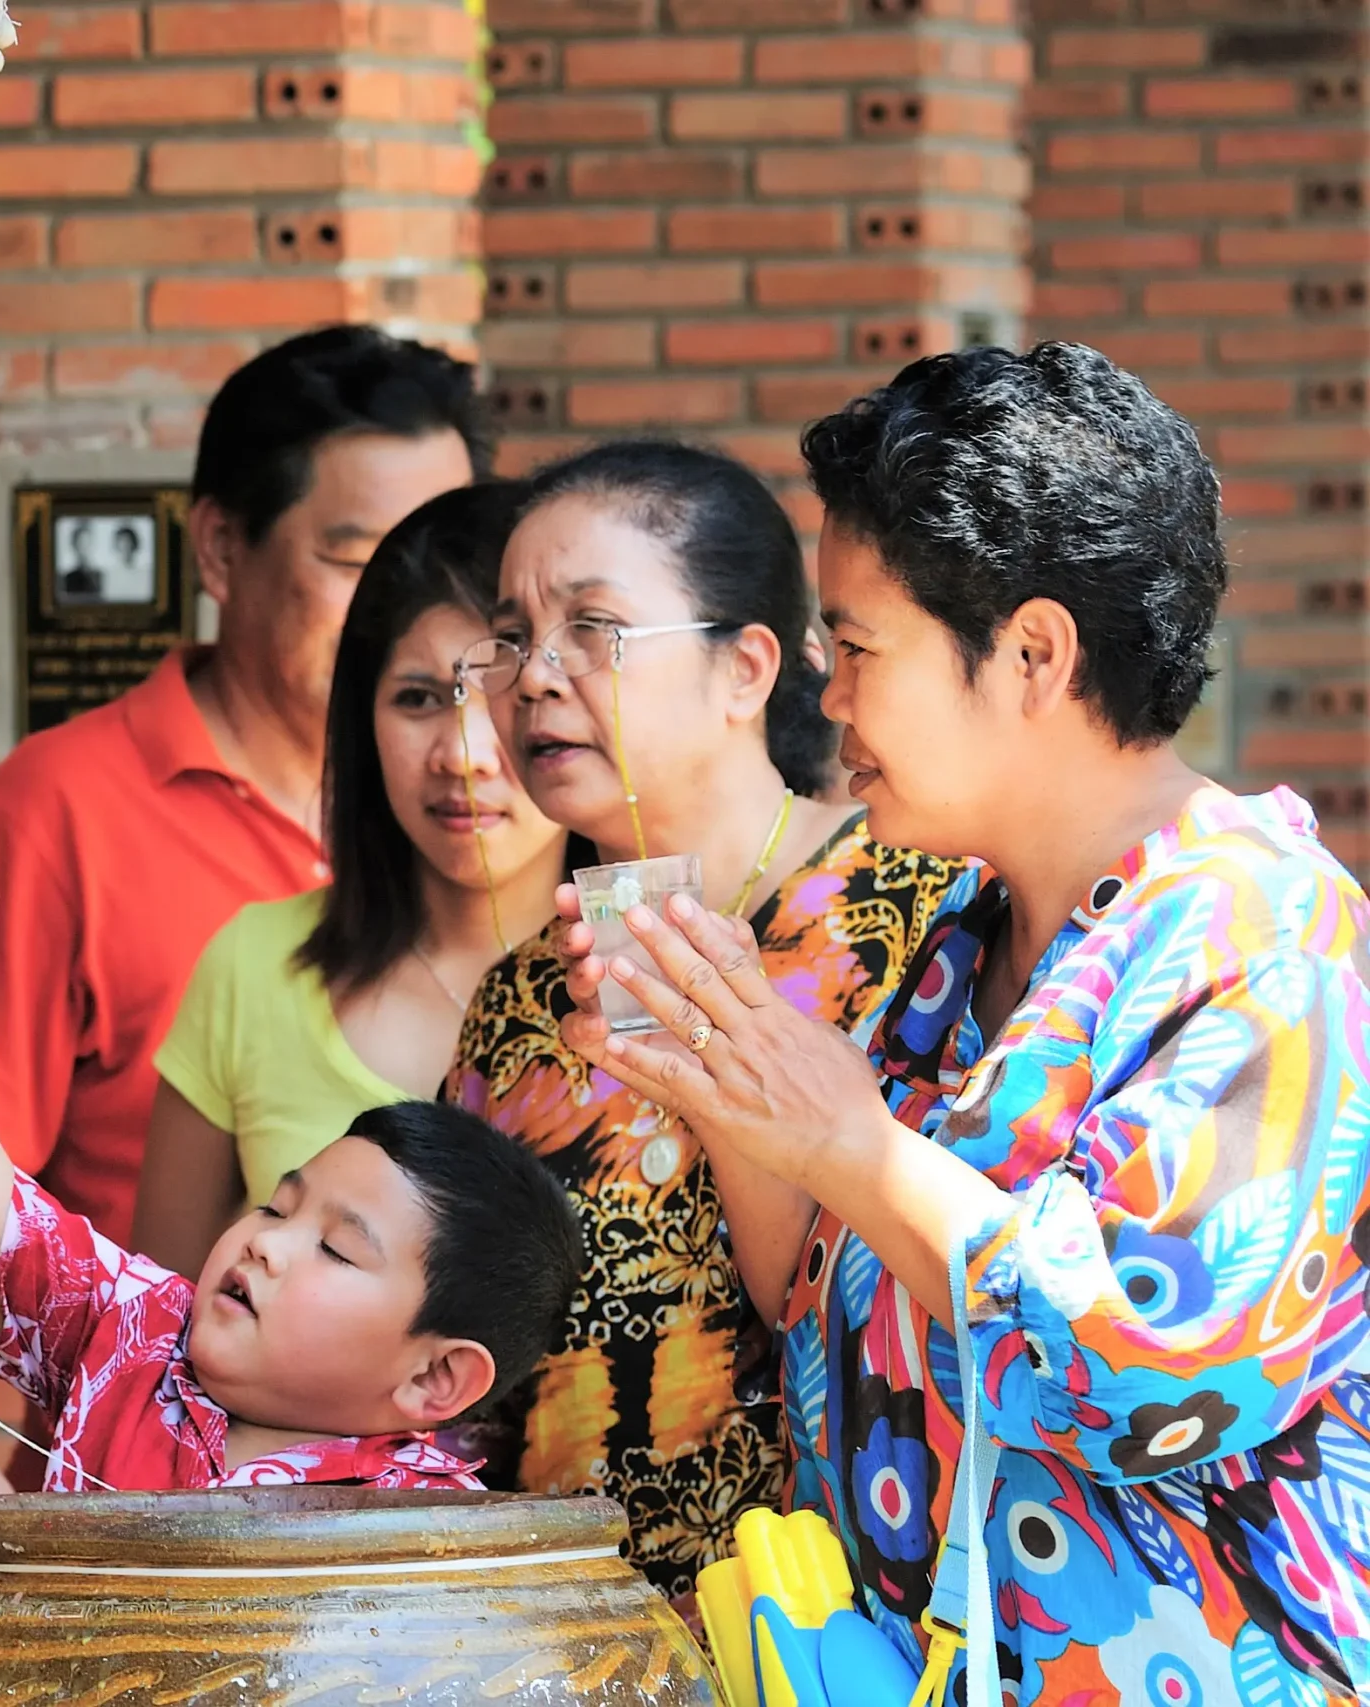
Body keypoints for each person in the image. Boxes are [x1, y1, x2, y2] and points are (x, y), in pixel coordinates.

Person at [564, 345, 1370, 1700]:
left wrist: (847, 1139)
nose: (831, 701)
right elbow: (827, 1297)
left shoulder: (1269, 937)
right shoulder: (961, 942)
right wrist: (731, 1073)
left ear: (1033, 654)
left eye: (860, 648)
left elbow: (1133, 1366)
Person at [0, 783, 585, 1492]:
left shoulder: (433, 1539)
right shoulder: (131, 1334)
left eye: (338, 1250)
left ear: (435, 1379)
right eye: (277, 1201)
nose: (267, 1241)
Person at [441, 442, 964, 1600]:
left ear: (746, 670)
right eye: (513, 635)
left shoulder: (923, 912)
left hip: (837, 1622)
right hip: (569, 1635)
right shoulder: (525, 1001)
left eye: (593, 629)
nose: (534, 676)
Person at [0, 325, 489, 1252]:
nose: (413, 604)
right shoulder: (56, 809)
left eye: (451, 561)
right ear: (220, 548)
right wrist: (117, 1366)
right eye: (361, 559)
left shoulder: (501, 809)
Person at [134, 483, 571, 1278]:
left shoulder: (657, 966)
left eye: (503, 691)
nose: (460, 752)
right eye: (418, 698)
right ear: (360, 723)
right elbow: (156, 1323)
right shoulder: (254, 963)